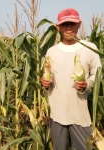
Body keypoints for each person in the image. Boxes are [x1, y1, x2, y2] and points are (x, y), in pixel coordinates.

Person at [41, 8, 101, 150]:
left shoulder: (90, 48)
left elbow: (97, 75)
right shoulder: (52, 51)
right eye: (64, 24)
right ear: (58, 27)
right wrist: (44, 83)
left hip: (80, 115)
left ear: (79, 24)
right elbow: (47, 75)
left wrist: (87, 84)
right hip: (57, 114)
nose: (68, 27)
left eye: (72, 23)